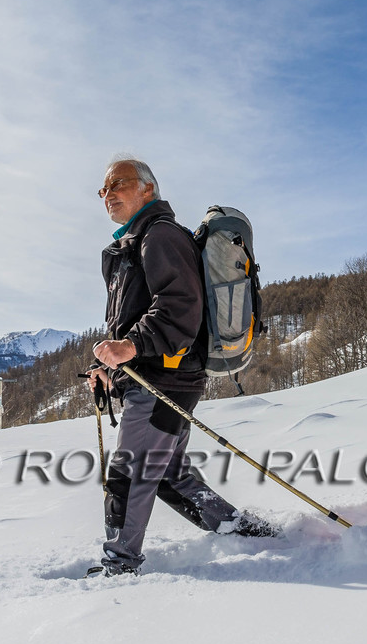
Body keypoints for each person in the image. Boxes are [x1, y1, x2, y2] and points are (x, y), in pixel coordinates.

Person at [90, 157, 271, 577]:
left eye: (119, 184)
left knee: (130, 471)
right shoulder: (133, 245)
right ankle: (239, 529)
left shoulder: (161, 236)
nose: (108, 194)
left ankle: (119, 565)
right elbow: (128, 320)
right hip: (159, 376)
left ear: (148, 189)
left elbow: (179, 310)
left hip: (164, 378)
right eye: (103, 189)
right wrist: (105, 364)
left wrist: (130, 347)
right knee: (166, 474)